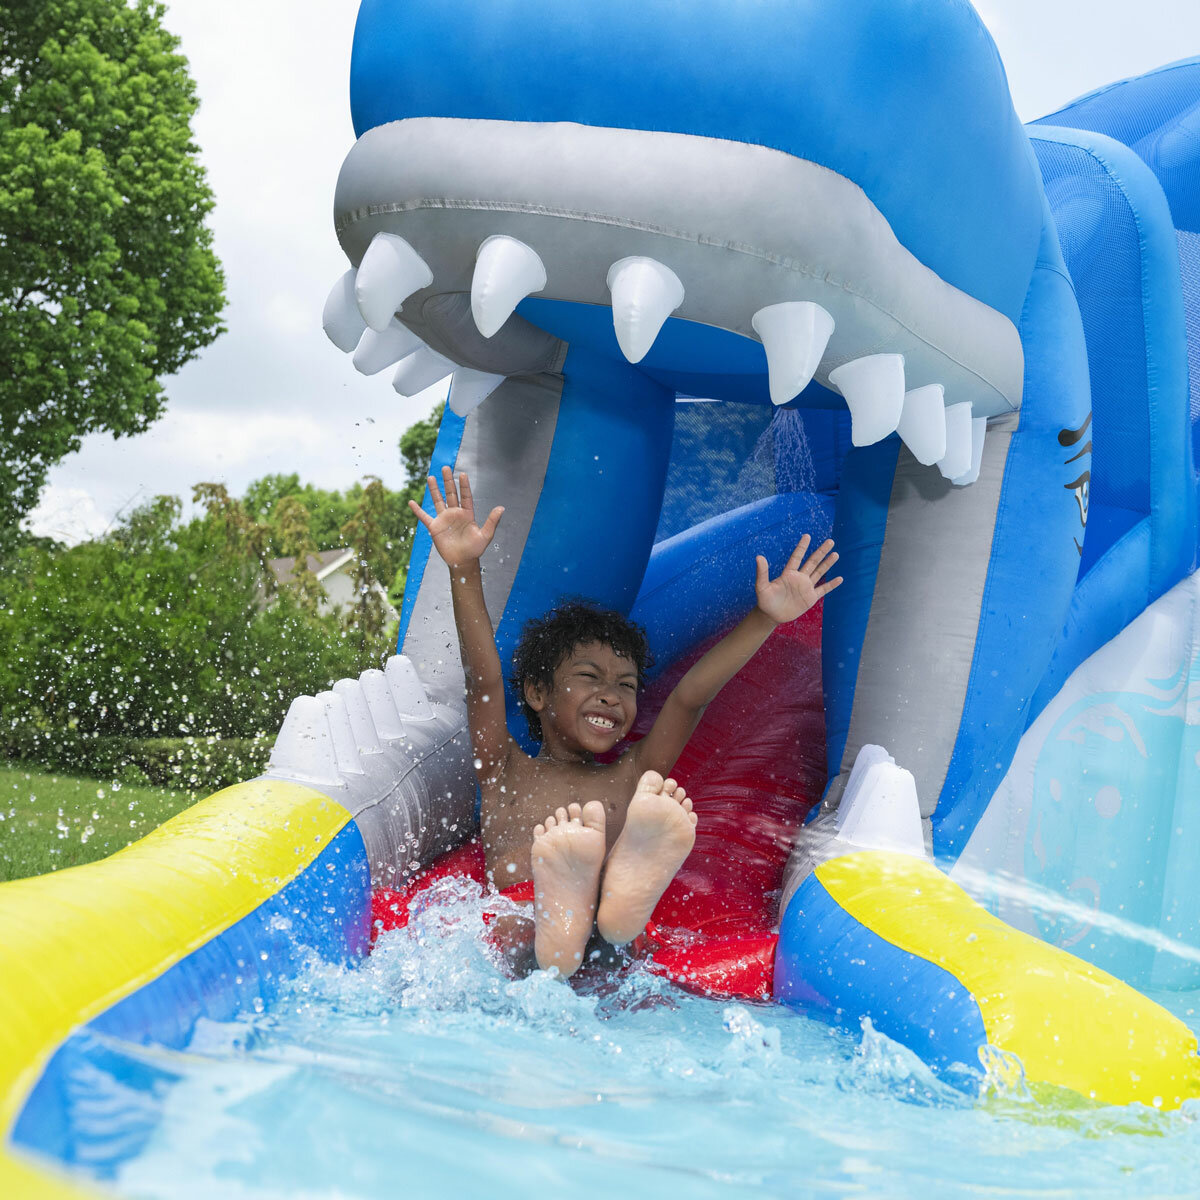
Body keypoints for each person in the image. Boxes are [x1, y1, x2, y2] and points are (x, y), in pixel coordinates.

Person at [409, 466, 842, 978]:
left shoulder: (636, 774)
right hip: (528, 929)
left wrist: (765, 617)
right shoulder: (504, 767)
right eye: (590, 676)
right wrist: (463, 569)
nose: (611, 696)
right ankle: (588, 914)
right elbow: (481, 677)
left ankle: (609, 907)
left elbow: (689, 698)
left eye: (627, 686)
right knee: (541, 933)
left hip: (586, 938)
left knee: (602, 933)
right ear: (536, 691)